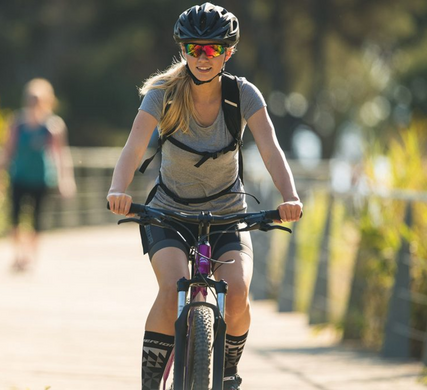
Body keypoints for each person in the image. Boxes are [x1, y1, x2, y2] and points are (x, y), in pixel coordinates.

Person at [107, 3, 302, 390]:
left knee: (239, 292)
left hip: (229, 214)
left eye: (213, 49)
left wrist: (289, 196)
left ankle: (227, 372)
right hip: (168, 214)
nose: (203, 57)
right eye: (194, 48)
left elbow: (271, 149)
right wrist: (118, 189)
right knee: (171, 286)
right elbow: (133, 146)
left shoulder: (243, 94)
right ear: (184, 50)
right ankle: (150, 381)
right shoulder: (163, 93)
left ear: (227, 53)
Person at [1, 78, 76, 271]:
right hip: (19, 177)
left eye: (37, 99)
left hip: (41, 179)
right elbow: (7, 151)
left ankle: (31, 257)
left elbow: (61, 155)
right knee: (15, 218)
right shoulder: (17, 124)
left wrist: (66, 180)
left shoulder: (53, 126)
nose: (33, 103)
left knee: (37, 220)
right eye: (30, 99)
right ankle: (18, 255)